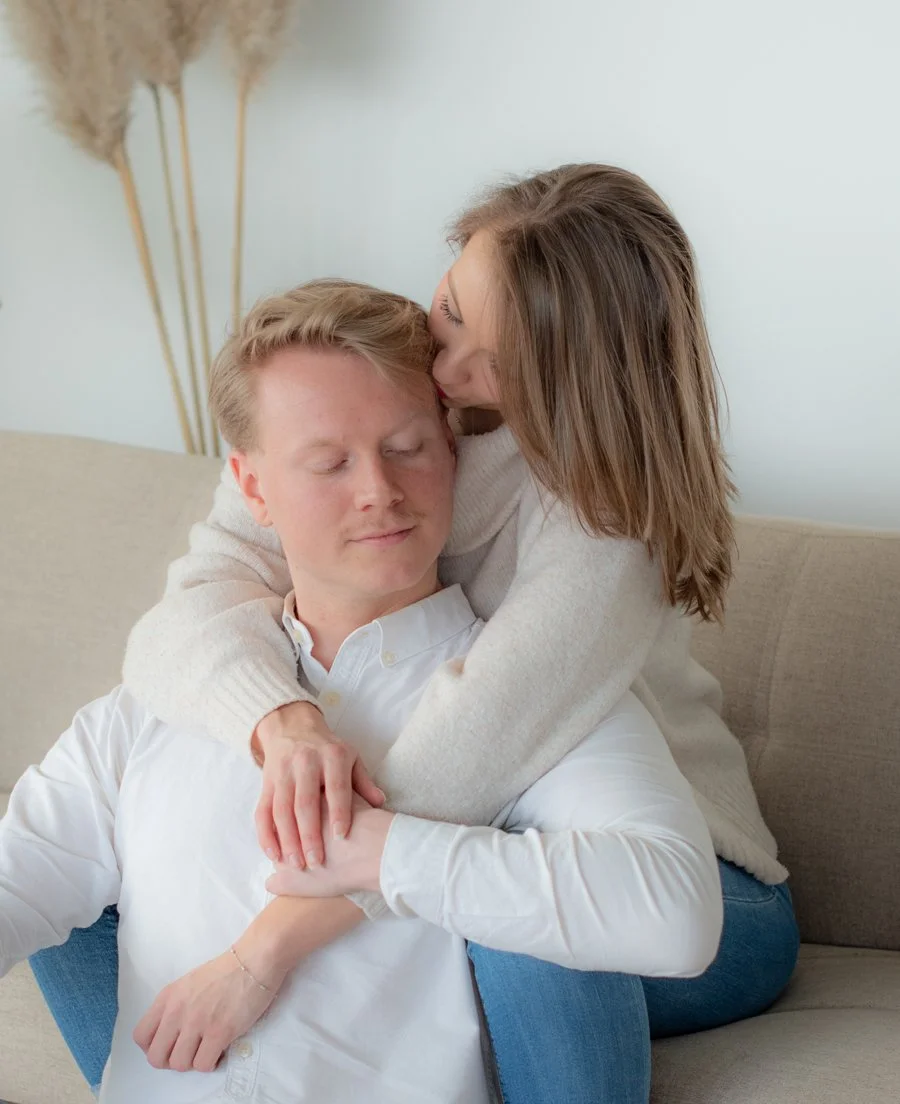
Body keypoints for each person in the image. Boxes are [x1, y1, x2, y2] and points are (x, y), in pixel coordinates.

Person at [31, 165, 800, 1103]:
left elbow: (467, 760)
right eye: (452, 311)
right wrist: (283, 720)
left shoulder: (603, 521)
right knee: (96, 881)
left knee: (517, 924)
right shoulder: (354, 391)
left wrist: (257, 955)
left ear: (574, 375)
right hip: (452, 774)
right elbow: (187, 612)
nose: (447, 373)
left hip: (687, 870)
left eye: (499, 365)